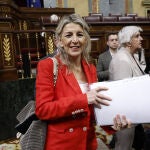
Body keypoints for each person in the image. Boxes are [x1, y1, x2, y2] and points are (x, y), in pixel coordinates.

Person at [35, 14, 131, 150]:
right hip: (61, 145)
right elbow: (43, 110)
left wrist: (111, 125)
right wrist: (83, 99)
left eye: (79, 34)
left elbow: (93, 112)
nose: (75, 40)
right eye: (68, 35)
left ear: (85, 39)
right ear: (59, 41)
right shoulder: (48, 65)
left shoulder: (90, 67)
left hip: (87, 143)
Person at [109, 26, 145, 150]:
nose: (141, 38)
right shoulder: (122, 59)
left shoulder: (131, 55)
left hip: (132, 112)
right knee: (123, 146)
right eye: (137, 36)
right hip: (124, 115)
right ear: (128, 41)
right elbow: (123, 92)